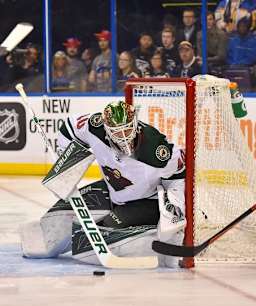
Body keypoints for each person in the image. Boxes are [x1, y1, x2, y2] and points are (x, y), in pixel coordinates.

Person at [20, 101, 186, 268]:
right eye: (116, 132)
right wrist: (66, 166)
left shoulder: (156, 150)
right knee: (61, 216)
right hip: (111, 191)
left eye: (127, 130)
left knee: (87, 240)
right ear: (106, 128)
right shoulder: (95, 126)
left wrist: (175, 210)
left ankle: (155, 247)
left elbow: (178, 177)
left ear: (135, 123)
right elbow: (68, 128)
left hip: (144, 203)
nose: (123, 137)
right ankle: (40, 240)